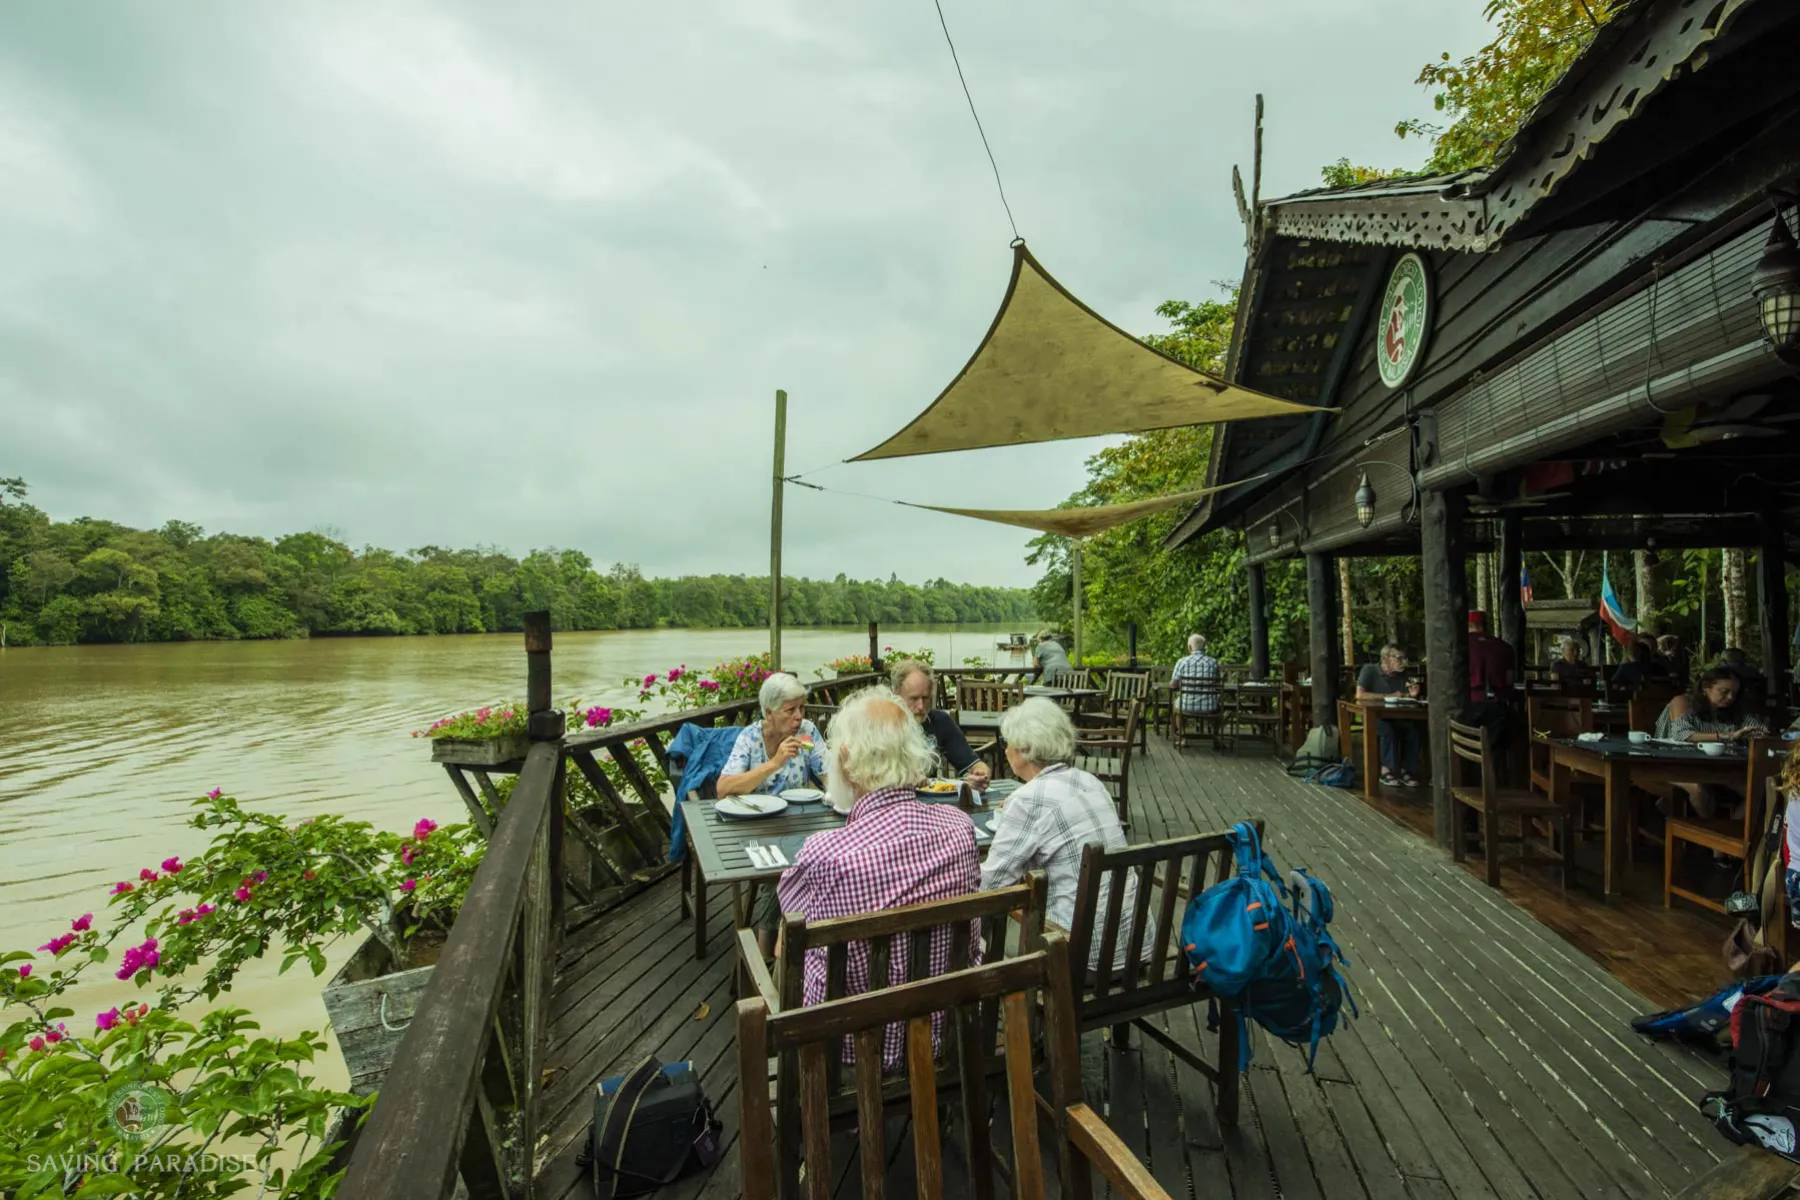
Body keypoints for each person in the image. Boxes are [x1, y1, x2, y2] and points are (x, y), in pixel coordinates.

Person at [775, 686, 981, 1068]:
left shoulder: (826, 853)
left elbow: (791, 937)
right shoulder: (959, 828)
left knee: (779, 943)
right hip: (939, 1028)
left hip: (854, 1047)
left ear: (848, 760)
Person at [980, 698, 1140, 971]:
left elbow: (990, 886)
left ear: (1025, 749)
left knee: (980, 933)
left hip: (1077, 959)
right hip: (1135, 947)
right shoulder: (1091, 782)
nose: (1004, 749)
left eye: (1006, 741)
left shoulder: (1029, 799)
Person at [1655, 669, 1769, 824]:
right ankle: (1710, 836)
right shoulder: (1685, 703)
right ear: (1705, 688)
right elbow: (1681, 734)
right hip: (1676, 764)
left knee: (1760, 790)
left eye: (1734, 694)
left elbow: (1758, 729)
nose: (1730, 698)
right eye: (1724, 691)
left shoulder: (1731, 711)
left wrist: (1759, 733)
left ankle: (1728, 832)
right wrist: (1727, 735)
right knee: (1700, 789)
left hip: (1718, 768)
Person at [716, 672, 828, 797]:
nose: (799, 716)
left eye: (801, 708)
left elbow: (829, 776)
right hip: (758, 814)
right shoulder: (750, 737)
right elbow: (723, 788)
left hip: (799, 813)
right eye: (790, 710)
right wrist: (774, 763)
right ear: (769, 713)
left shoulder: (807, 730)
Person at [891, 658, 991, 791]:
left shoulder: (939, 721)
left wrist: (980, 775)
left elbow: (974, 764)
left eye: (925, 698)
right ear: (896, 694)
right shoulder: (880, 724)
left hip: (928, 805)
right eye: (914, 698)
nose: (921, 706)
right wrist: (903, 778)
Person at [1356, 643, 1423, 788]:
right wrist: (1387, 695)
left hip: (1395, 715)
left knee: (1412, 730)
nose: (1404, 662)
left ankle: (1407, 770)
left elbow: (1402, 696)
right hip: (1373, 716)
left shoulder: (1402, 675)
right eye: (1399, 658)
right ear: (1386, 658)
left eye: (1404, 658)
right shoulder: (1369, 670)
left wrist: (1411, 695)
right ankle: (1387, 769)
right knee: (1388, 731)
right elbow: (1360, 695)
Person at [1169, 633, 1221, 748]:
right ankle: (1215, 737)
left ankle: (1182, 738)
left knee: (1176, 707)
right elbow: (1218, 684)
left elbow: (1173, 685)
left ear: (1190, 647)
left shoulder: (1182, 662)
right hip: (1209, 706)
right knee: (1218, 708)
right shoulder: (1213, 662)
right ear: (1204, 647)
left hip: (1187, 705)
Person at [1466, 611, 1514, 701]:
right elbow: (1509, 680)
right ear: (1485, 625)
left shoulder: (1461, 647)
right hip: (1498, 702)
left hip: (1470, 702)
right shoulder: (1505, 647)